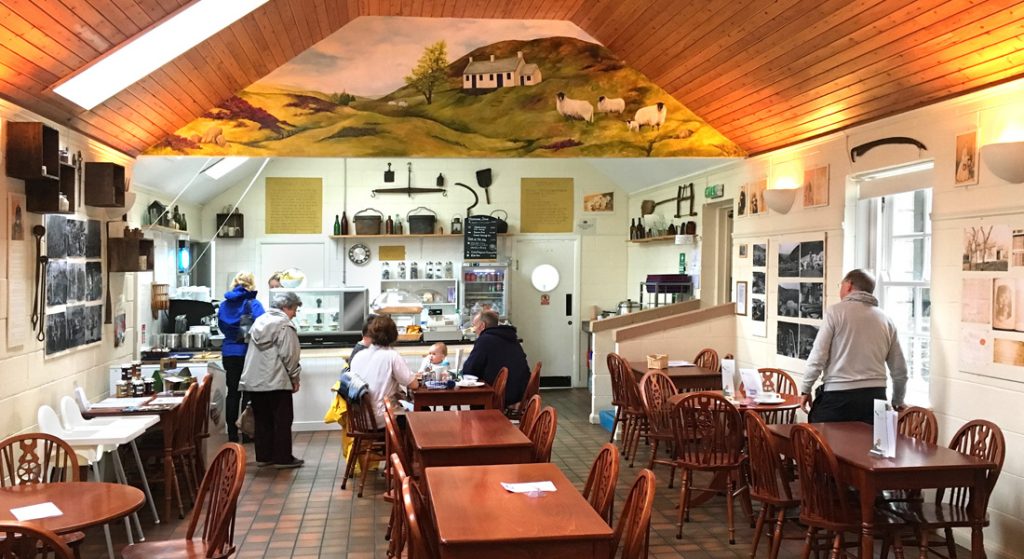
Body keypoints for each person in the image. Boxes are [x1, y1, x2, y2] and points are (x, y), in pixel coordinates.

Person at [800, 269, 908, 423]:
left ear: (849, 285)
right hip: (876, 397)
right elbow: (900, 370)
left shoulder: (834, 313)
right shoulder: (886, 319)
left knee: (823, 444)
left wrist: (806, 388)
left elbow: (818, 356)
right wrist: (897, 400)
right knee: (872, 446)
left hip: (839, 397)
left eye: (841, 284)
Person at [240, 291, 304, 469]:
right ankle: (283, 458)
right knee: (282, 419)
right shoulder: (284, 325)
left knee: (262, 419)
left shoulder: (259, 322)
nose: (295, 313)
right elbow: (290, 355)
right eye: (294, 309)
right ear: (285, 307)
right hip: (276, 378)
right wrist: (294, 377)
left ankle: (264, 455)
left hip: (254, 380)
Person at [217, 271, 265, 443]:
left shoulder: (223, 305)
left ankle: (231, 434)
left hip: (229, 352)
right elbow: (262, 328)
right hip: (248, 353)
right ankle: (246, 432)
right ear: (252, 284)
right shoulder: (253, 304)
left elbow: (222, 327)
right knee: (248, 394)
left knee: (232, 394)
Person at [348, 315, 420, 426]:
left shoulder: (358, 356)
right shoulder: (392, 356)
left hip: (359, 419)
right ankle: (409, 443)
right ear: (394, 335)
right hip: (383, 418)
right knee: (423, 411)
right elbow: (414, 385)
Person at [461, 310, 529, 408]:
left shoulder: (484, 340)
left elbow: (470, 370)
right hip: (520, 392)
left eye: (474, 326)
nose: (474, 330)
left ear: (482, 326)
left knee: (476, 397)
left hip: (501, 396)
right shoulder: (512, 338)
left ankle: (480, 423)